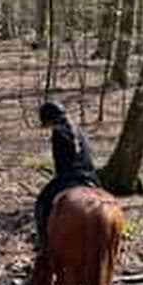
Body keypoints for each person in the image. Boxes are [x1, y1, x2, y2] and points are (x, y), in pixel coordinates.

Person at [34, 100, 100, 253]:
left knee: (41, 204)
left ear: (49, 119)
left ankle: (43, 247)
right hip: (90, 177)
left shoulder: (58, 132)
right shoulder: (79, 130)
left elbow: (61, 164)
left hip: (70, 178)